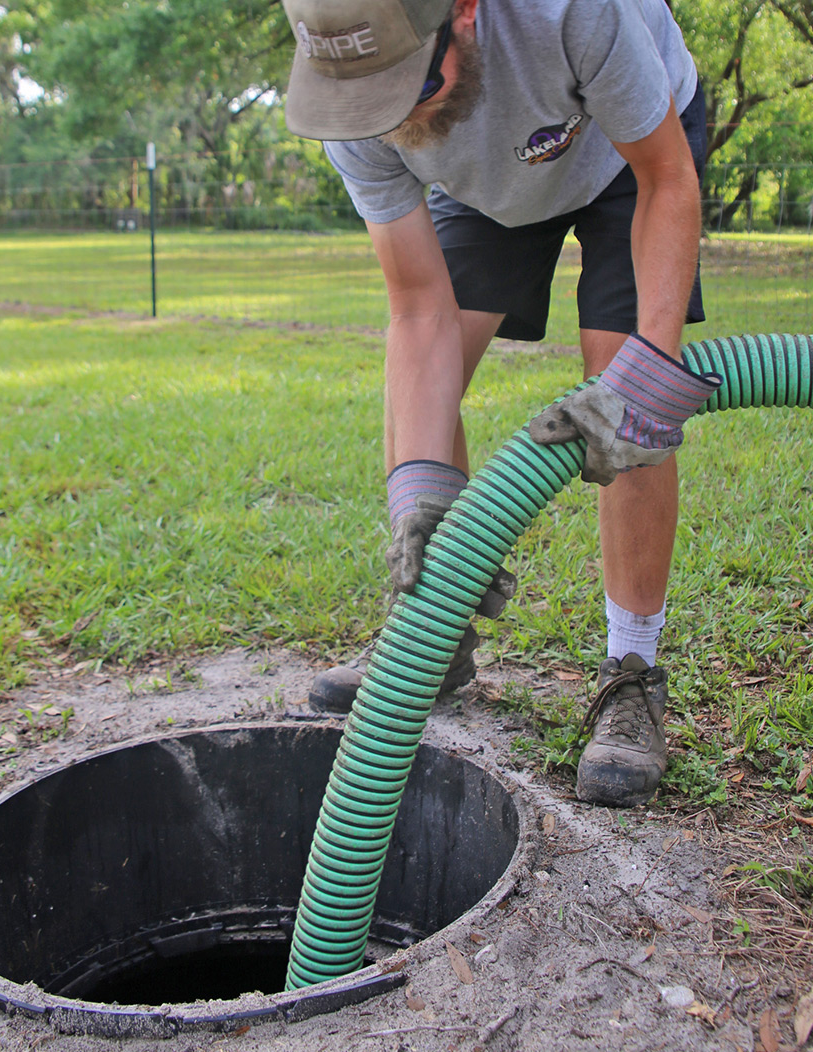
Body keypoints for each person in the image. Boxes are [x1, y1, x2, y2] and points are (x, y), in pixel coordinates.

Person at [283, 0, 720, 807]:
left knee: (624, 389)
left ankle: (632, 672)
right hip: (488, 181)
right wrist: (417, 503)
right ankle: (433, 637)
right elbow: (420, 313)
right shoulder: (355, 97)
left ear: (464, 11)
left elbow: (666, 177)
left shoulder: (576, 13)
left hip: (629, 158)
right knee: (435, 371)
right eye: (365, 95)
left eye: (406, 84)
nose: (388, 115)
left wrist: (650, 371)